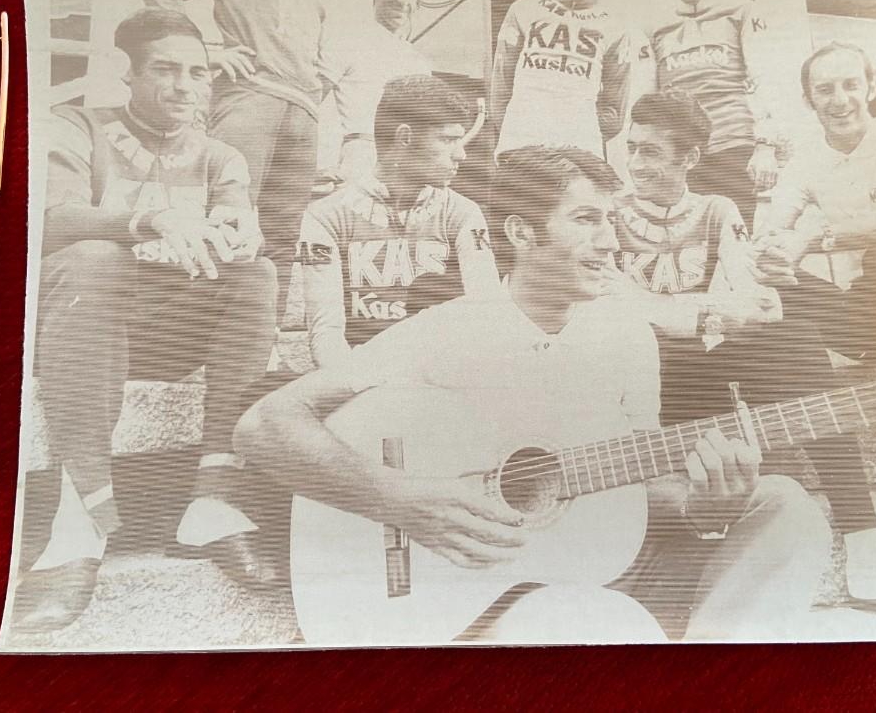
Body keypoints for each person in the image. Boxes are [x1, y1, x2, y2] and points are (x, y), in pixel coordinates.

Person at [235, 146, 831, 643]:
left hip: (600, 559)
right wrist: (399, 498)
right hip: (486, 591)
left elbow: (637, 477)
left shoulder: (626, 334)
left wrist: (704, 508)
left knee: (786, 506)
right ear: (523, 232)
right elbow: (263, 424)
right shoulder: (449, 330)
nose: (611, 242)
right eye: (586, 220)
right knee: (605, 621)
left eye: (611, 220)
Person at [603, 90, 876, 620]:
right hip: (637, 378)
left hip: (699, 370)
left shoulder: (718, 210)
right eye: (633, 148)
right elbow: (618, 305)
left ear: (689, 158)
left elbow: (749, 302)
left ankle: (867, 543)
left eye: (651, 151)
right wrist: (705, 312)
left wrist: (712, 311)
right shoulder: (607, 215)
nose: (636, 163)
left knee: (792, 339)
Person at [14, 8, 278, 632]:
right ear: (125, 72)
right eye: (165, 68)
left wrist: (243, 232)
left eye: (198, 72)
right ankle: (79, 522)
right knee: (94, 258)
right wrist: (147, 221)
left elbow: (239, 215)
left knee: (257, 273)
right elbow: (50, 217)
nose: (185, 85)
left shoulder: (220, 156)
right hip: (81, 330)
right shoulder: (78, 125)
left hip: (164, 335)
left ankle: (212, 500)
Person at [754, 42, 876, 613]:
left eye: (848, 85)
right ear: (810, 100)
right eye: (824, 90)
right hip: (868, 314)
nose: (839, 100)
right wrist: (774, 251)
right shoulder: (807, 161)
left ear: (869, 85)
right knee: (780, 289)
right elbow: (776, 222)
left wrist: (818, 236)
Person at [298, 75, 501, 369]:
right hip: (362, 374)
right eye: (448, 140)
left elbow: (487, 314)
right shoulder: (326, 216)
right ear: (404, 137)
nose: (461, 154)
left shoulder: (463, 213)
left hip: (443, 374)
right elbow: (326, 334)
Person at [144, 0, 325, 321]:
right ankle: (189, 340)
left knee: (283, 234)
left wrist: (316, 87)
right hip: (249, 96)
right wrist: (202, 55)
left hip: (304, 109)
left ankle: (263, 344)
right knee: (219, 221)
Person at [643, 0, 786, 230]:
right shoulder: (654, 26)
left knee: (733, 238)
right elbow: (647, 103)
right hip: (682, 153)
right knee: (689, 247)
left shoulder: (740, 11)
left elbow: (765, 78)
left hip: (732, 146)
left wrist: (766, 146)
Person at [490, 0, 630, 160]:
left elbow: (614, 110)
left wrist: (579, 129)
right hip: (521, 143)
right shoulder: (523, 8)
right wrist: (517, 128)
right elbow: (501, 87)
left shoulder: (616, 22)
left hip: (579, 148)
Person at [317, 0, 434, 184]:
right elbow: (311, 101)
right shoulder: (349, 44)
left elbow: (427, 121)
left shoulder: (419, 62)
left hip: (408, 159)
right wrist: (319, 163)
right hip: (361, 155)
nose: (402, 1)